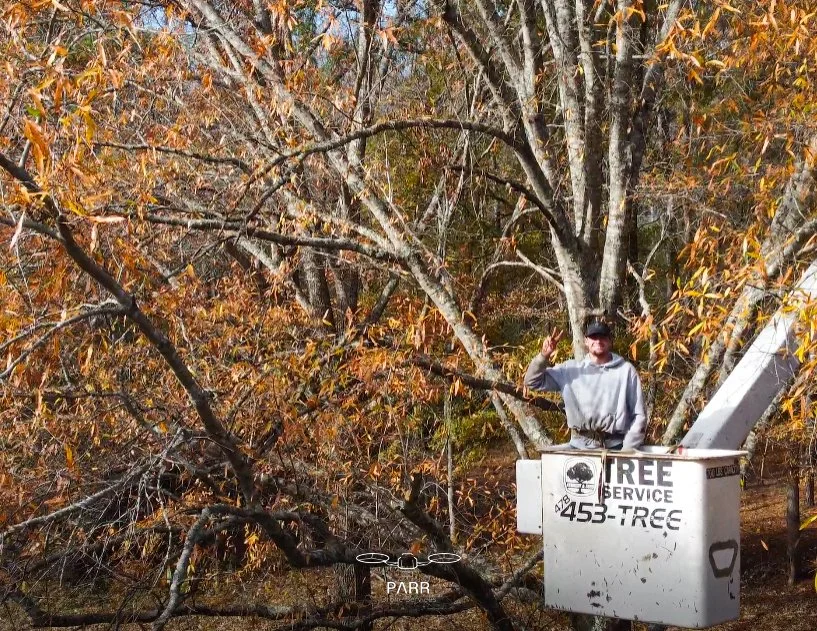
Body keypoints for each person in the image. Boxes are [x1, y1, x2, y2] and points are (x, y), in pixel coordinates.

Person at [523, 320, 647, 450]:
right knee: (547, 459)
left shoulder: (626, 371)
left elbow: (639, 415)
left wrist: (627, 450)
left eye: (603, 337)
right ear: (586, 341)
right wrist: (544, 355)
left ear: (610, 341)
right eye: (594, 337)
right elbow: (532, 381)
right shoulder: (570, 370)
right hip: (579, 446)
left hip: (616, 447)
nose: (598, 341)